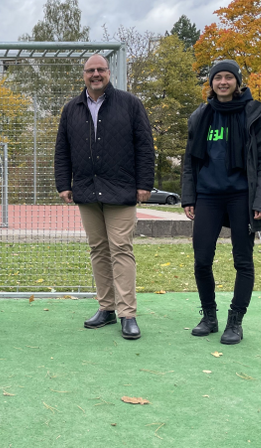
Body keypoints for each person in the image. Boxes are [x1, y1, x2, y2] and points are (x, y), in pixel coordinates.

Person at [54, 54, 155, 340]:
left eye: (100, 69)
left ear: (108, 73)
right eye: (90, 70)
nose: (95, 74)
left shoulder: (130, 104)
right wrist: (64, 184)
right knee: (98, 249)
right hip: (86, 190)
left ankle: (128, 314)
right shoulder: (71, 108)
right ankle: (106, 308)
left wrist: (144, 183)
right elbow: (62, 150)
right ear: (83, 75)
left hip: (121, 190)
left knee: (121, 248)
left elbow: (145, 147)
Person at [182, 59, 261, 345]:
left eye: (228, 77)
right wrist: (189, 196)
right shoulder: (201, 116)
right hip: (208, 196)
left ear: (237, 82)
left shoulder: (254, 114)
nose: (222, 82)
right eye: (217, 78)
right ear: (211, 83)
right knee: (201, 260)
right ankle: (209, 317)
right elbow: (189, 162)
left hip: (242, 197)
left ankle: (235, 321)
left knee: (243, 261)